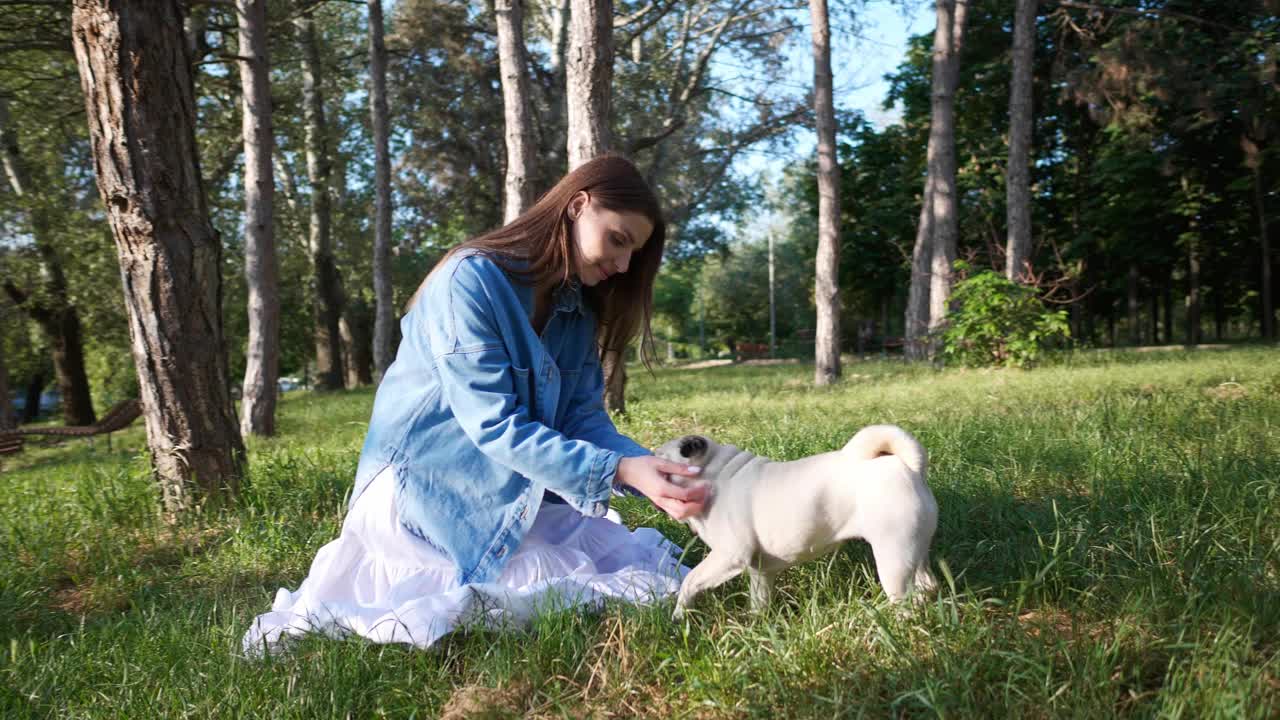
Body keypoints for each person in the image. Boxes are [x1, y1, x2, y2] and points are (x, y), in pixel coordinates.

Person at [243, 154, 707, 654]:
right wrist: (618, 471)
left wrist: (649, 468)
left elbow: (581, 417)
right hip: (429, 489)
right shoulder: (471, 281)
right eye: (618, 240)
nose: (622, 265)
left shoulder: (575, 308)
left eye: (632, 253)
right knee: (498, 598)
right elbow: (495, 426)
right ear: (577, 206)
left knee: (614, 579)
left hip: (519, 480)